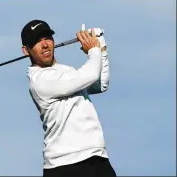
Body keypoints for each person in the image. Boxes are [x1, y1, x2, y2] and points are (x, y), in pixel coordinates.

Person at [21, 19, 116, 177]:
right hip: (64, 166)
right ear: (26, 50)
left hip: (97, 158)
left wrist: (101, 46)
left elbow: (100, 84)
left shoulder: (66, 71)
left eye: (47, 38)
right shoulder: (39, 82)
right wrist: (93, 50)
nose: (45, 45)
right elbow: (90, 74)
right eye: (37, 42)